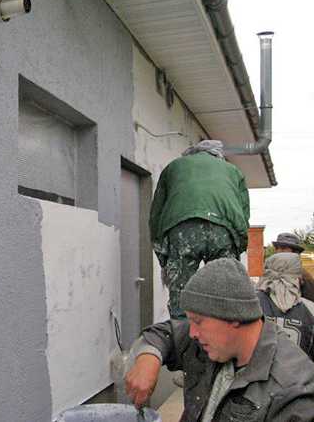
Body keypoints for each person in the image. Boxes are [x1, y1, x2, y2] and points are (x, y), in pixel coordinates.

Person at [125, 258, 314, 422]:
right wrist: (148, 359)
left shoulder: (292, 392)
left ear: (235, 317)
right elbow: (165, 333)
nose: (192, 333)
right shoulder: (214, 340)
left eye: (198, 321)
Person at [149, 140, 250, 318]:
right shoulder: (233, 171)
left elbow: (156, 212)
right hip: (223, 231)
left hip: (182, 229)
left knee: (181, 293)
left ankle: (182, 329)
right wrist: (239, 245)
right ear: (218, 155)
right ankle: (221, 328)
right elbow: (244, 212)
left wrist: (162, 254)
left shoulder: (174, 167)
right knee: (223, 290)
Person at [257, 252, 314, 361]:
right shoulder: (310, 308)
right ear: (298, 277)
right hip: (299, 370)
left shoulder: (250, 302)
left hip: (256, 370)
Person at [272, 232, 314, 301]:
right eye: (277, 248)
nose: (278, 251)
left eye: (283, 248)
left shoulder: (303, 276)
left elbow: (310, 303)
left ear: (295, 252)